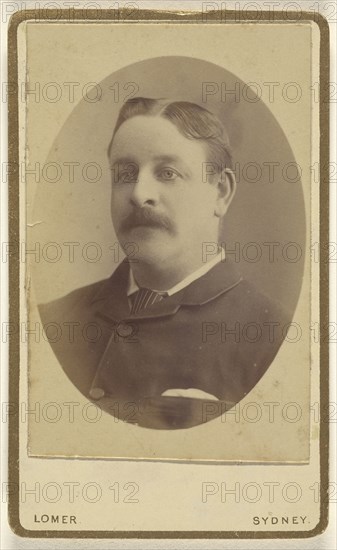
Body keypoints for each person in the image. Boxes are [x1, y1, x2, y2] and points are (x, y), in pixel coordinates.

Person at [39, 97, 289, 430]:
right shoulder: (48, 322)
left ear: (221, 193)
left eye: (167, 173)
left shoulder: (281, 340)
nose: (139, 193)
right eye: (125, 174)